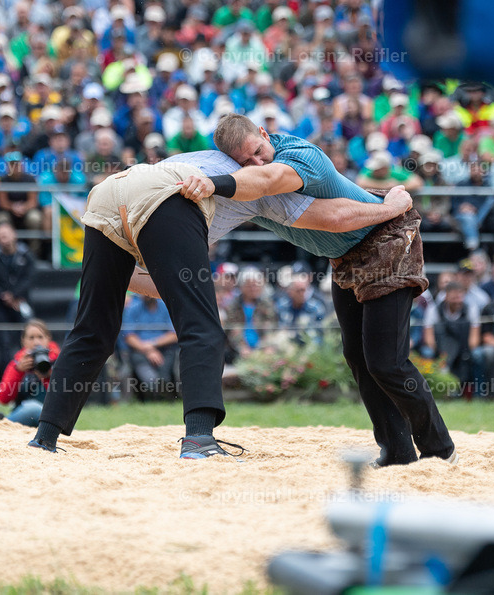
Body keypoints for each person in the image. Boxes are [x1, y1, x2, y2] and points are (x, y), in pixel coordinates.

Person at [29, 149, 413, 458]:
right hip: (166, 194)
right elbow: (332, 216)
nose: (260, 160)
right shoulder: (263, 184)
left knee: (92, 328)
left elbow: (148, 281)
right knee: (202, 326)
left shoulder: (204, 157)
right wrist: (390, 208)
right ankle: (198, 438)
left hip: (110, 190)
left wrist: (123, 281)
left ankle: (44, 437)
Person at [187, 115, 457, 465]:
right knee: (358, 358)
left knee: (386, 361)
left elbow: (273, 181)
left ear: (265, 134)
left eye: (257, 151)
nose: (256, 163)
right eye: (244, 162)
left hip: (385, 239)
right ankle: (397, 452)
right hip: (343, 254)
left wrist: (210, 183)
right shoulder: (247, 183)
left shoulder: (301, 156)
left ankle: (439, 450)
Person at [0, 221, 37, 367]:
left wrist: (14, 295)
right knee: (2, 339)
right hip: (1, 305)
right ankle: (5, 372)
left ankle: (30, 368)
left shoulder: (26, 256)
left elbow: (29, 279)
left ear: (14, 235)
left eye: (5, 236)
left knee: (29, 333)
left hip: (22, 302)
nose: (3, 240)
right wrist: (4, 296)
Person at [0, 320, 61, 426]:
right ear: (23, 341)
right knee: (31, 408)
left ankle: (3, 424)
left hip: (52, 415)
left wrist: (49, 376)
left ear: (48, 339)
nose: (36, 342)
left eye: (40, 337)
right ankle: (4, 424)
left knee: (34, 408)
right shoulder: (16, 364)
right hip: (24, 414)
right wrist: (18, 371)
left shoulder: (58, 363)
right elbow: (3, 399)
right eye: (31, 338)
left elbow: (65, 398)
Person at [422, 282, 481, 397]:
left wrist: (463, 353)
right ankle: (430, 394)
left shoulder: (471, 309)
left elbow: (474, 339)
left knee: (478, 355)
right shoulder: (434, 309)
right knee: (426, 352)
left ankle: (478, 394)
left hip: (464, 347)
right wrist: (442, 356)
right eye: (454, 297)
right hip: (440, 348)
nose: (457, 301)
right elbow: (429, 338)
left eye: (460, 297)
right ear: (446, 296)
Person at [120, 293, 179, 399]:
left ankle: (163, 392)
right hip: (139, 352)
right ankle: (154, 389)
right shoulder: (133, 308)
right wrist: (148, 350)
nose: (146, 295)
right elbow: (128, 336)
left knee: (164, 375)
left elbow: (174, 335)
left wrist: (153, 344)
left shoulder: (166, 307)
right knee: (149, 377)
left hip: (165, 350)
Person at [224, 268, 278, 358]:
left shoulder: (267, 305)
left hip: (263, 349)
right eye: (249, 286)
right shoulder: (233, 306)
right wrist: (243, 347)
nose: (253, 289)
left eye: (256, 285)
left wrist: (266, 346)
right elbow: (233, 330)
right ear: (242, 287)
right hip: (239, 351)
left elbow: (271, 327)